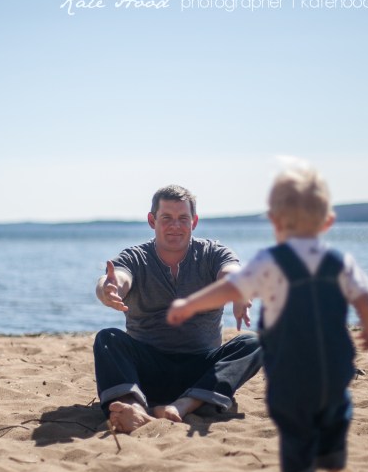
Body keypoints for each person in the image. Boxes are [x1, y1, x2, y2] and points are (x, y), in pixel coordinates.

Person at [167, 163, 368, 472]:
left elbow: (231, 288)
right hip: (337, 365)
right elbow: (364, 299)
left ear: (274, 221)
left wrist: (190, 303)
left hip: (290, 371)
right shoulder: (340, 261)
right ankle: (334, 457)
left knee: (294, 428)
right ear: (328, 222)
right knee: (336, 409)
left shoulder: (271, 262)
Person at [93, 184, 262, 434]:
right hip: (147, 371)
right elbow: (117, 277)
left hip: (200, 371)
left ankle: (181, 406)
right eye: (167, 218)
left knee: (252, 343)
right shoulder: (136, 257)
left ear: (194, 221)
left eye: (183, 218)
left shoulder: (212, 253)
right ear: (152, 221)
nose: (175, 226)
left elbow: (231, 273)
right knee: (107, 338)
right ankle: (134, 409)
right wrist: (109, 289)